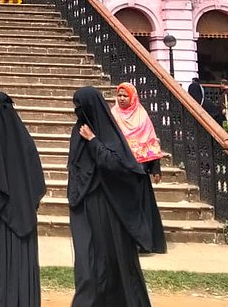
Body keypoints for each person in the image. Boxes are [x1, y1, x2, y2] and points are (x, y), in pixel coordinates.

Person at [67, 86, 162, 306]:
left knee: (113, 260)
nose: (78, 112)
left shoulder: (106, 132)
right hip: (86, 204)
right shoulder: (79, 130)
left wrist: (94, 142)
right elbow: (76, 167)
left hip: (110, 207)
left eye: (81, 107)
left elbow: (119, 165)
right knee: (89, 262)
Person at [0, 91, 46, 307]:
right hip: (25, 219)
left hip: (0, 221)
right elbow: (38, 185)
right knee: (23, 269)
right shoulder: (26, 141)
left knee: (0, 271)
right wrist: (26, 207)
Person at [110, 83, 167, 252]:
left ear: (132, 97)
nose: (121, 99)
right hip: (119, 169)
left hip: (139, 171)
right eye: (119, 95)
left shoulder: (142, 117)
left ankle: (142, 242)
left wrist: (155, 169)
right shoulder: (112, 115)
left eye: (125, 96)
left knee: (140, 206)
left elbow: (151, 141)